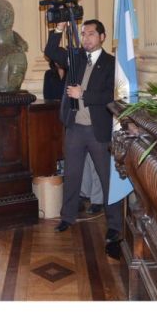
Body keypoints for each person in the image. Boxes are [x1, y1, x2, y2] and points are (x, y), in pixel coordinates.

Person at [44, 19, 122, 248]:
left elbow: (111, 95)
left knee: (108, 180)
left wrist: (84, 94)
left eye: (91, 34)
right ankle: (67, 217)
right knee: (72, 175)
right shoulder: (76, 57)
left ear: (102, 37)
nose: (86, 38)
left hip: (98, 130)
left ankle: (115, 226)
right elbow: (50, 51)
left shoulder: (111, 63)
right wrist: (58, 29)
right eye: (84, 34)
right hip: (75, 128)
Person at [43, 54, 104, 214]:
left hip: (92, 121)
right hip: (71, 120)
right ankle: (83, 195)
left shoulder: (76, 69)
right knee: (79, 164)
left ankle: (98, 200)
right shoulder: (50, 74)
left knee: (94, 163)